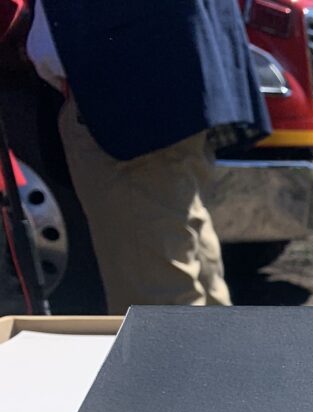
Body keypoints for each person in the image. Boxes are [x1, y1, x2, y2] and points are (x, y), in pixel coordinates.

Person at [25, 0, 269, 313]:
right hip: (158, 76)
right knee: (184, 245)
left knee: (154, 299)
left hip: (123, 91)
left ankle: (174, 349)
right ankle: (206, 347)